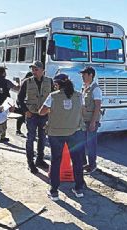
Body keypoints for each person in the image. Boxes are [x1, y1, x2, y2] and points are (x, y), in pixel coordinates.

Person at [39, 73, 86, 201]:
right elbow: (83, 111)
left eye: (55, 84)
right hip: (74, 132)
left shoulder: (53, 96)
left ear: (58, 84)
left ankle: (54, 191)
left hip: (56, 133)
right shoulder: (79, 95)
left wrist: (54, 111)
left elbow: (41, 111)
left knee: (56, 162)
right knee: (77, 161)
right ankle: (79, 189)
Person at [23, 61, 54, 173]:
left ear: (42, 71)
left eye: (36, 69)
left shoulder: (49, 82)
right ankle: (30, 162)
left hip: (44, 115)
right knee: (30, 138)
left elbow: (54, 98)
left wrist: (51, 111)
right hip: (31, 115)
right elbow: (20, 99)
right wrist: (26, 111)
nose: (34, 72)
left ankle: (40, 159)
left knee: (42, 138)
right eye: (33, 69)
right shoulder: (27, 82)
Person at [80, 66, 102, 174]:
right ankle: (84, 164)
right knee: (82, 143)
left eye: (84, 74)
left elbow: (97, 106)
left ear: (91, 75)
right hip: (83, 120)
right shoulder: (84, 87)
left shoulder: (95, 89)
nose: (82, 77)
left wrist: (93, 122)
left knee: (91, 144)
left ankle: (92, 165)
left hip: (91, 120)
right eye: (82, 75)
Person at [0, 66, 19, 143]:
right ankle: (2, 136)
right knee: (3, 120)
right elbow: (17, 89)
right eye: (5, 72)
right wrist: (19, 82)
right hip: (4, 103)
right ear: (3, 73)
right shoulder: (6, 82)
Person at [15, 71, 33, 137]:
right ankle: (18, 130)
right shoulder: (25, 82)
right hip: (22, 101)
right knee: (22, 115)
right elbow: (20, 96)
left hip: (27, 102)